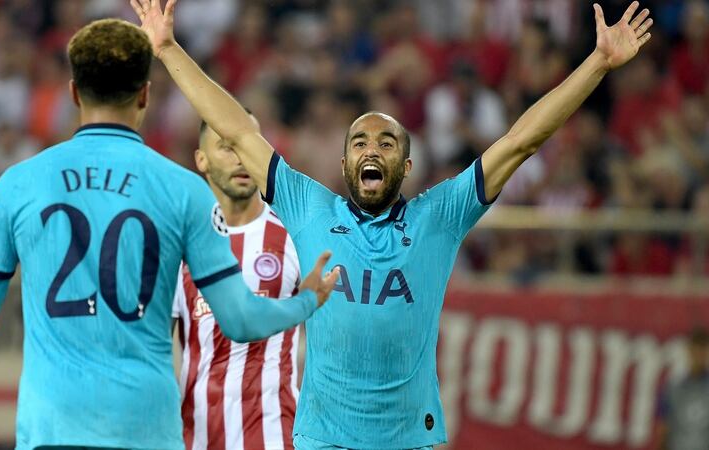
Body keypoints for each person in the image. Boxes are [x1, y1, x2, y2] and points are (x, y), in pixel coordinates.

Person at [131, 0, 653, 447]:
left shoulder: (440, 217)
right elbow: (238, 130)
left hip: (410, 438)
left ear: (406, 167)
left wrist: (599, 64)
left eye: (386, 143)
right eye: (359, 142)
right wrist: (169, 50)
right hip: (322, 438)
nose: (371, 149)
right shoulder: (310, 207)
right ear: (343, 165)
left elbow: (520, 142)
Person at [0, 18, 338, 450]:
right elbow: (241, 320)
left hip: (51, 427)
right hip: (146, 429)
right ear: (145, 94)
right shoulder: (183, 190)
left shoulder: (18, 184)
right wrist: (306, 301)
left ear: (74, 91)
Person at [173, 115, 303, 449]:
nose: (240, 158)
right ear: (201, 159)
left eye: (246, 146)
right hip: (194, 438)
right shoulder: (177, 244)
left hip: (276, 436)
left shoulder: (295, 236)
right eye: (227, 147)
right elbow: (161, 347)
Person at [655, 327, 709, 450]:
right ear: (689, 350)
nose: (699, 354)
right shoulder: (673, 387)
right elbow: (663, 427)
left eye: (703, 349)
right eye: (696, 349)